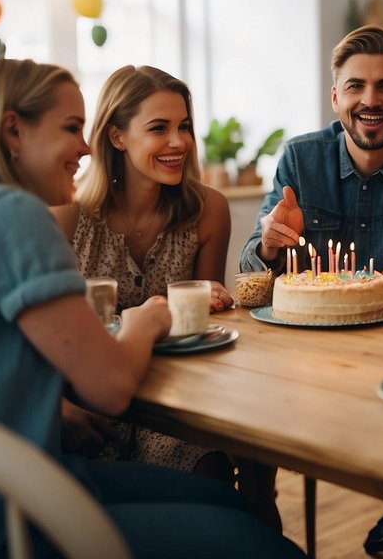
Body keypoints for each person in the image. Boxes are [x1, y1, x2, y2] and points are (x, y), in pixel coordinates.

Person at [0, 59, 303, 559]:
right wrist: (146, 317)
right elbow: (107, 388)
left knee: (223, 499)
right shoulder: (8, 215)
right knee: (265, 546)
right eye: (71, 128)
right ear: (12, 131)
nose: (86, 147)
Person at [240, 24, 383, 559]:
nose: (372, 100)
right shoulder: (299, 159)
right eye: (357, 86)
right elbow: (252, 274)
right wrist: (271, 246)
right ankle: (257, 522)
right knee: (250, 419)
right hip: (307, 356)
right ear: (336, 96)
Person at [51, 66, 240, 486]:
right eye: (159, 128)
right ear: (117, 136)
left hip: (174, 408)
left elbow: (207, 333)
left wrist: (212, 302)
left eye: (184, 126)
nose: (179, 143)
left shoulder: (208, 211)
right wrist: (57, 407)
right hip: (89, 410)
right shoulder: (67, 215)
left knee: (213, 478)